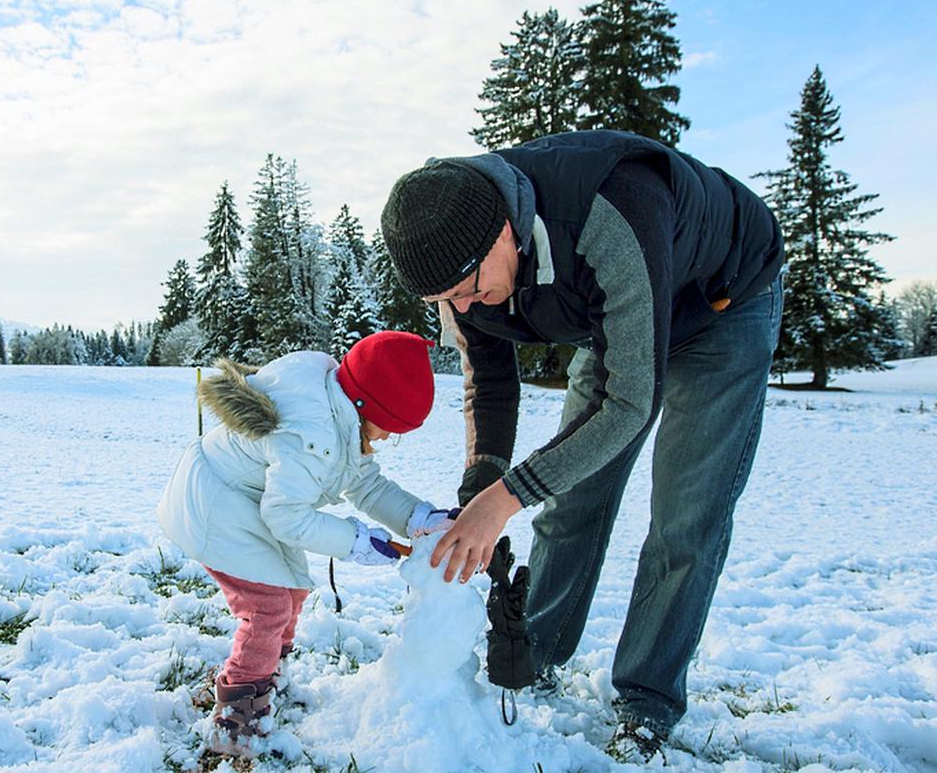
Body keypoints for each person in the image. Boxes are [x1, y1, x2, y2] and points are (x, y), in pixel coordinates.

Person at [380, 130, 785, 763]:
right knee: (569, 498)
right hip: (616, 326)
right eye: (443, 301)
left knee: (686, 516)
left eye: (467, 286)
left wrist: (508, 496)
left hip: (722, 304)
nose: (462, 305)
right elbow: (488, 383)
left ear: (505, 232)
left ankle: (647, 699)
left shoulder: (610, 210)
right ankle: (531, 653)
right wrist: (479, 489)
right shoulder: (457, 268)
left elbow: (630, 404)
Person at [156, 331, 454, 753]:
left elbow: (364, 484)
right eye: (390, 428)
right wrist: (355, 541)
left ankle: (268, 681)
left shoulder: (338, 412)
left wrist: (418, 518)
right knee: (268, 606)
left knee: (292, 591)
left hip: (250, 503)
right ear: (366, 403)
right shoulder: (311, 435)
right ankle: (238, 717)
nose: (388, 439)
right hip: (215, 507)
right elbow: (287, 518)